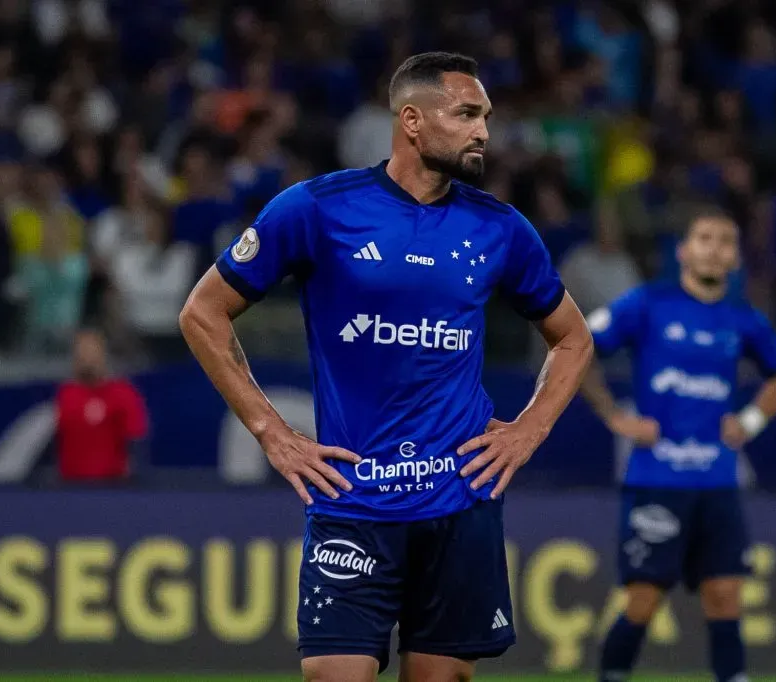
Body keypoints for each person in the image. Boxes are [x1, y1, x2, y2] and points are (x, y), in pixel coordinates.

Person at [179, 52, 593, 682]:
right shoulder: (317, 208)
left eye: (486, 115)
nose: (484, 130)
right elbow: (203, 313)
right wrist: (272, 432)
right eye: (467, 113)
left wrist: (527, 431)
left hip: (459, 500)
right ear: (412, 121)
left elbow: (573, 339)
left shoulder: (500, 229)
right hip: (354, 498)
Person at [580, 211, 776, 682]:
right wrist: (614, 416)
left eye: (726, 241)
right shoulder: (648, 303)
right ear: (682, 249)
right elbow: (577, 346)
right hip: (656, 478)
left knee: (725, 597)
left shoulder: (742, 318)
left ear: (736, 256)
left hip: (717, 481)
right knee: (643, 601)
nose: (715, 248)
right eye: (704, 238)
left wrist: (751, 420)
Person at [55, 328, 149, 483]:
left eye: (91, 350)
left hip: (113, 486)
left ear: (103, 353)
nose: (86, 357)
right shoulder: (66, 394)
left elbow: (137, 440)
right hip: (70, 487)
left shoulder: (123, 393)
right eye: (81, 351)